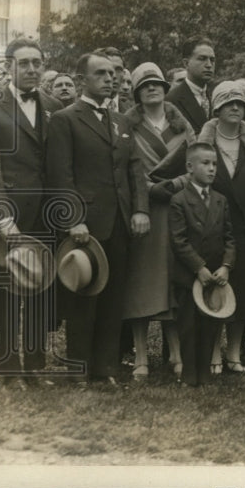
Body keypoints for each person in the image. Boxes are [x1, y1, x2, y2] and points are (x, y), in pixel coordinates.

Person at [46, 52, 150, 385]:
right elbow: (60, 175)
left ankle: (106, 368)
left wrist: (140, 209)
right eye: (101, 74)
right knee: (83, 295)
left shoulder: (122, 122)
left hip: (120, 221)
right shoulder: (66, 119)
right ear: (83, 81)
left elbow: (136, 170)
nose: (111, 78)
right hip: (85, 226)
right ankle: (79, 367)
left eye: (113, 73)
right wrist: (73, 219)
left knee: (113, 296)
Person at [0, 38, 63, 387]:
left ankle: (35, 366)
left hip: (46, 213)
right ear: (9, 67)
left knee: (41, 287)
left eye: (37, 62)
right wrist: (3, 216)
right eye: (24, 63)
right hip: (9, 214)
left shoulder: (53, 105)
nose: (31, 69)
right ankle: (10, 369)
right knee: (9, 290)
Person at [121, 62, 195, 381]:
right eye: (145, 84)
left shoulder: (182, 125)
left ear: (165, 88)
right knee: (141, 282)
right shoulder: (128, 125)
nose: (152, 87)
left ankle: (177, 353)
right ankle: (140, 355)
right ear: (137, 92)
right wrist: (150, 189)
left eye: (157, 83)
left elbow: (197, 162)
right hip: (142, 211)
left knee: (173, 281)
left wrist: (175, 186)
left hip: (177, 211)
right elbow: (122, 166)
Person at [198, 81, 245, 374]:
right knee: (218, 287)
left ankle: (234, 353)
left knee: (244, 290)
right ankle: (214, 352)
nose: (234, 108)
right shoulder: (203, 145)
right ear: (216, 108)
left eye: (239, 103)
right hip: (213, 228)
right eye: (228, 103)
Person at [169, 142, 236, 386]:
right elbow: (179, 241)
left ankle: (204, 372)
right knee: (188, 324)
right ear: (189, 167)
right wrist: (199, 267)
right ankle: (189, 373)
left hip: (215, 275)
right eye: (205, 163)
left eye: (214, 164)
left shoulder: (220, 200)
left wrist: (226, 266)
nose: (211, 169)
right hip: (190, 276)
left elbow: (229, 237)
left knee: (210, 323)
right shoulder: (179, 200)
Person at [167, 38, 216, 134]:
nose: (209, 65)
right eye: (202, 59)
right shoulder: (171, 101)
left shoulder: (215, 98)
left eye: (212, 60)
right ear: (186, 63)